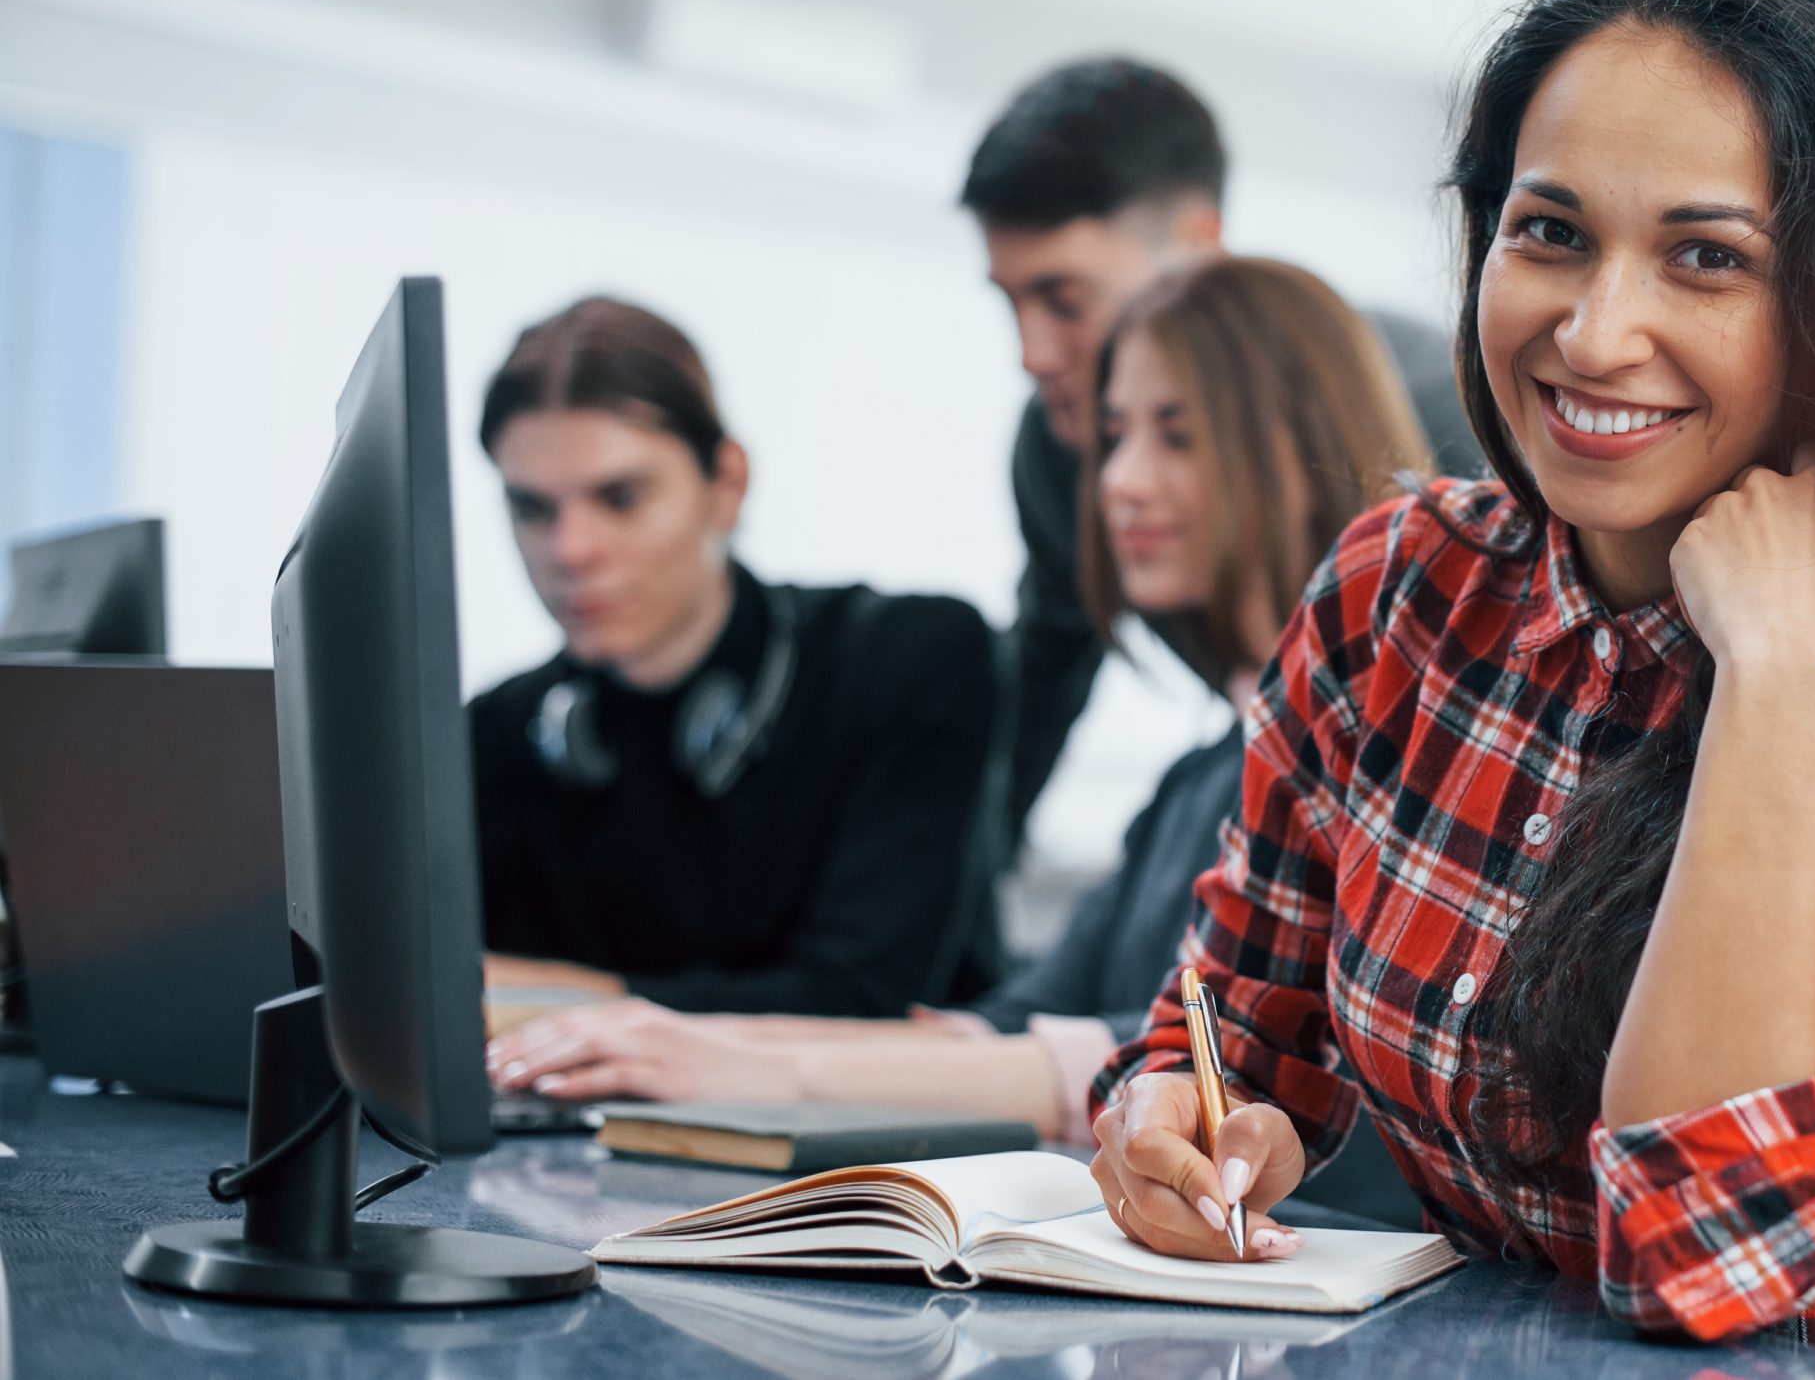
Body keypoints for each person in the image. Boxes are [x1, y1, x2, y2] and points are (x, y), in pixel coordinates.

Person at [1083, 0, 1815, 1375]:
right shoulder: (1394, 590)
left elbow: (1705, 1260)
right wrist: (1167, 1116)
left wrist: (1785, 683)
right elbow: (1224, 1031)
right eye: (1550, 233)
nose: (1597, 334)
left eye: (1707, 258)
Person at [483, 261, 1433, 1174]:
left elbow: (1180, 1064)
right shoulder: (1197, 779)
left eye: (1176, 436)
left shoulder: (1389, 753)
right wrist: (675, 1038)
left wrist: (743, 1062)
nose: (1119, 482)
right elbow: (1012, 1023)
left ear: (1299, 444)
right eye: (1114, 437)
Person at [962, 58, 1480, 841]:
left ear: (1199, 249)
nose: (1032, 353)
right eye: (1011, 301)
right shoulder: (1053, 451)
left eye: (1064, 300)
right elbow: (1042, 684)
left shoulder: (1453, 416)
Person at [472, 297, 1002, 1016]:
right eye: (533, 510)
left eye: (620, 497)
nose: (570, 550)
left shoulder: (901, 662)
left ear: (726, 482)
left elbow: (857, 1001)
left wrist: (568, 1003)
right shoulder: (496, 734)